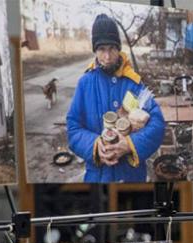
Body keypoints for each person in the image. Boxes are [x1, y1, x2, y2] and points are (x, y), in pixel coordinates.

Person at [67, 14, 165, 183]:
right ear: (95, 51)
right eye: (101, 49)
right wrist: (95, 145)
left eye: (112, 48)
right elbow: (73, 128)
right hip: (97, 177)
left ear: (119, 48)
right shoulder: (85, 83)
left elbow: (157, 124)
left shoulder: (134, 83)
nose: (107, 56)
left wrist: (129, 145)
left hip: (132, 177)